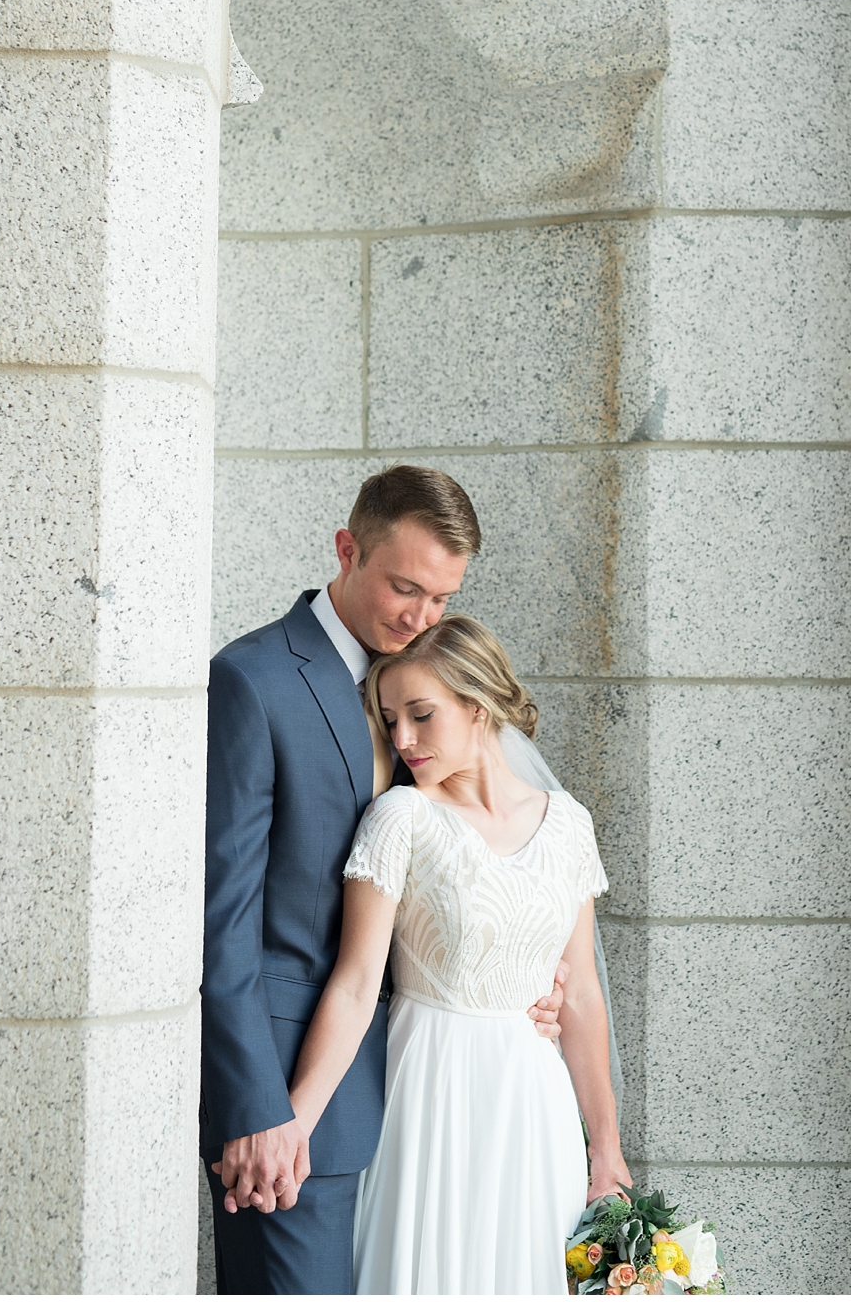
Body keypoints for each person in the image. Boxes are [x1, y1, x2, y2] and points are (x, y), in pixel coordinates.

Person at [201, 466, 567, 1292]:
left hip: (428, 1110)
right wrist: (255, 1108)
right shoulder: (253, 679)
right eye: (406, 588)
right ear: (346, 550)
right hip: (294, 1103)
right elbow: (223, 918)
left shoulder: (429, 686)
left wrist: (526, 986)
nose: (421, 616)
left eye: (442, 598)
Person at [284, 615, 625, 1293]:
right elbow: (354, 986)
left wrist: (606, 1148)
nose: (403, 740)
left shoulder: (569, 826)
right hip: (428, 1090)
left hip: (532, 1103)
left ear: (478, 705)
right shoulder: (401, 820)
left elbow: (581, 992)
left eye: (421, 715)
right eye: (390, 721)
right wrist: (295, 1123)